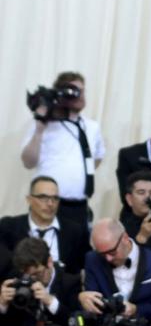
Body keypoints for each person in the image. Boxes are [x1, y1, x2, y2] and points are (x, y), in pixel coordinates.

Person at [19, 71, 105, 236]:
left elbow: (98, 157)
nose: (80, 96)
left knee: (78, 247)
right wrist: (39, 129)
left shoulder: (92, 127)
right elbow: (28, 162)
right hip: (48, 203)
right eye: (74, 90)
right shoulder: (44, 124)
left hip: (80, 205)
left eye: (82, 91)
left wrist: (79, 174)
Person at [81, 218, 151, 326]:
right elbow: (92, 304)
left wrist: (136, 309)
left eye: (112, 252)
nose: (108, 259)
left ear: (125, 238)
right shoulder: (92, 259)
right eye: (102, 254)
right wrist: (83, 298)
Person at [0, 176, 89, 275]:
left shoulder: (75, 231)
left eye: (55, 198)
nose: (50, 203)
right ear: (29, 199)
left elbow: (84, 267)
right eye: (43, 198)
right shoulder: (9, 227)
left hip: (61, 284)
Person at [0, 237, 80, 326]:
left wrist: (51, 302)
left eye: (37, 273)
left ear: (49, 262)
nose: (32, 279)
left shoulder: (70, 283)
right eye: (26, 275)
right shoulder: (16, 281)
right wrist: (2, 305)